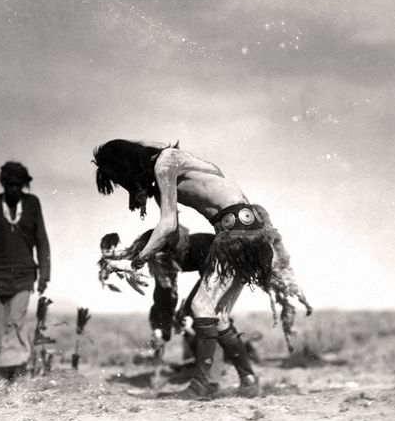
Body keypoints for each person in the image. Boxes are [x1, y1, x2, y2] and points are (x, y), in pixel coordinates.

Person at [93, 140, 311, 398]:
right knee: (218, 317)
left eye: (119, 178)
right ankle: (248, 380)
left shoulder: (166, 162)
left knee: (201, 308)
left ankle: (200, 386)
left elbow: (168, 226)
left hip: (236, 233)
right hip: (247, 231)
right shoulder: (175, 164)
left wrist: (139, 258)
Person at [0, 161, 51, 380]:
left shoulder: (32, 204)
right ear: (3, 183)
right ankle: (7, 376)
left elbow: (42, 240)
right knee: (2, 329)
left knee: (16, 322)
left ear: (24, 185)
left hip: (24, 276)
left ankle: (16, 374)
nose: (13, 189)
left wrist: (44, 275)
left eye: (18, 185)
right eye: (9, 184)